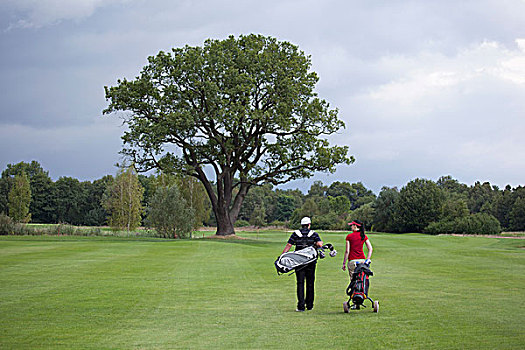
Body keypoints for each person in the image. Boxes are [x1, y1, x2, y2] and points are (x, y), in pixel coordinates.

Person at [281, 217, 324, 312]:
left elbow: (289, 246)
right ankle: (309, 305)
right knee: (310, 283)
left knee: (300, 283)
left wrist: (282, 256)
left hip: (298, 262)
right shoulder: (314, 234)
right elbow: (320, 244)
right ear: (309, 224)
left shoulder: (296, 234)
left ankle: (301, 306)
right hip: (311, 262)